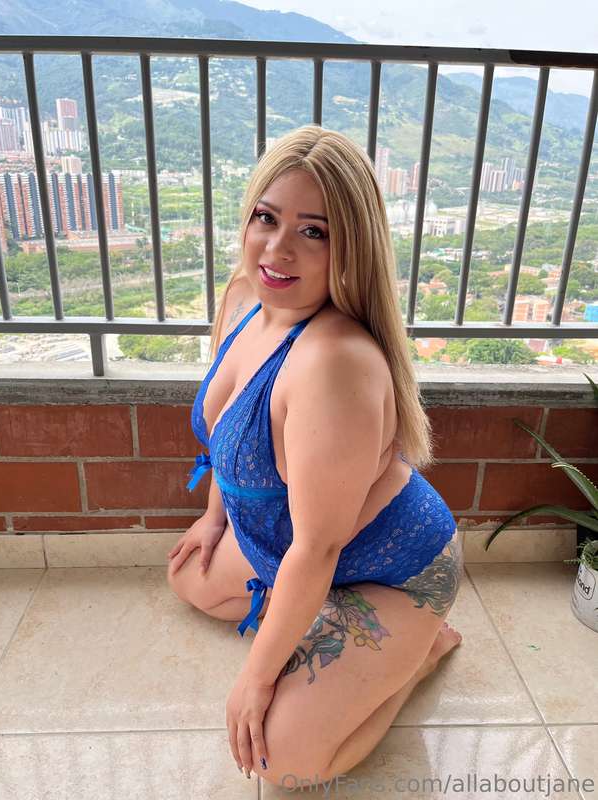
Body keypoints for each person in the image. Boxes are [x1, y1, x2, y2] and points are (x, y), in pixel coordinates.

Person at [167, 124, 464, 789]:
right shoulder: (247, 296)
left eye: (314, 232)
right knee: (188, 577)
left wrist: (256, 678)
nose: (277, 249)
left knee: (280, 760)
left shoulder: (335, 363)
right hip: (300, 548)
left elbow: (318, 547)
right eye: (266, 218)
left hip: (393, 570)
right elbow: (227, 434)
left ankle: (420, 652)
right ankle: (321, 620)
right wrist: (214, 519)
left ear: (351, 246)